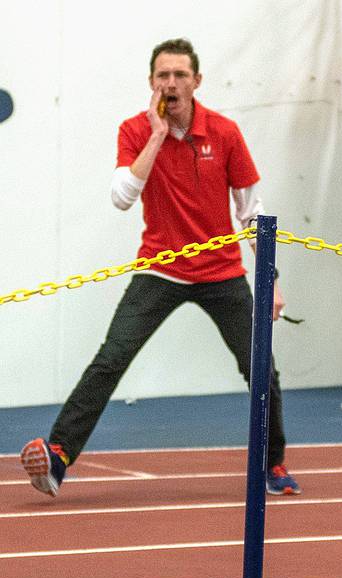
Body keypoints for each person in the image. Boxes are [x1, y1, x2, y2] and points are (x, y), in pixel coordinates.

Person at [20, 38, 300, 498]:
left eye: (180, 75)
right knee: (111, 358)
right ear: (152, 82)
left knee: (261, 369)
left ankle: (275, 464)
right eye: (163, 76)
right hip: (160, 269)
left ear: (197, 81)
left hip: (221, 272)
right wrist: (156, 134)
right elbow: (121, 197)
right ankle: (58, 456)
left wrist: (271, 282)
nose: (171, 83)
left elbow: (252, 213)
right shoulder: (134, 130)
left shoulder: (225, 133)